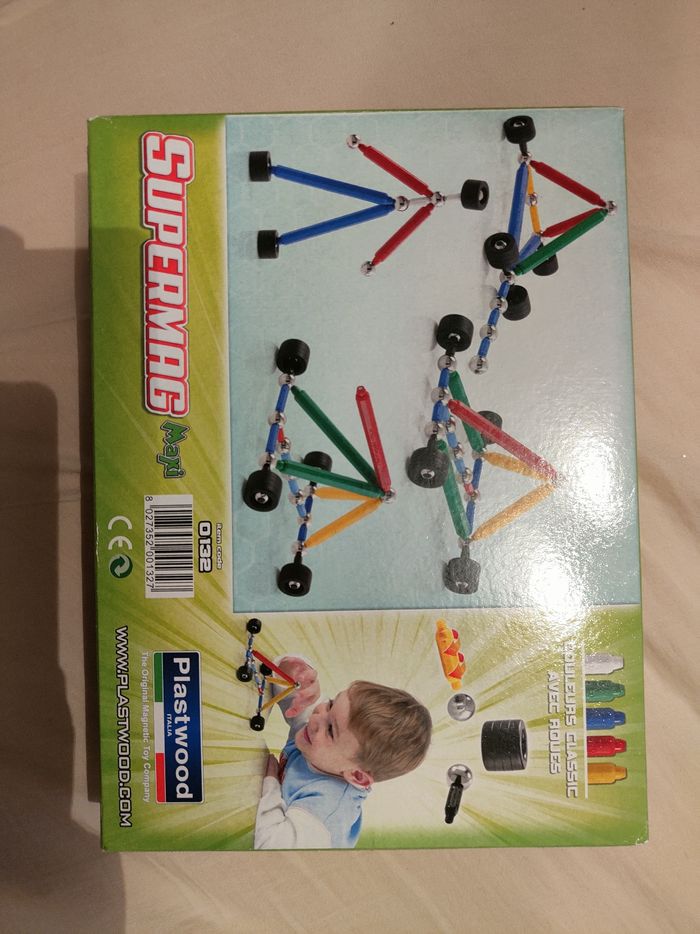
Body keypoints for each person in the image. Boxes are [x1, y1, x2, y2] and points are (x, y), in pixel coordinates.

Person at [254, 657, 432, 849]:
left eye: (331, 730)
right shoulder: (324, 741)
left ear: (356, 775)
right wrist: (296, 675)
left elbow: (270, 848)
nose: (316, 718)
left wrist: (270, 783)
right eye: (331, 704)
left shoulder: (326, 809)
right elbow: (287, 685)